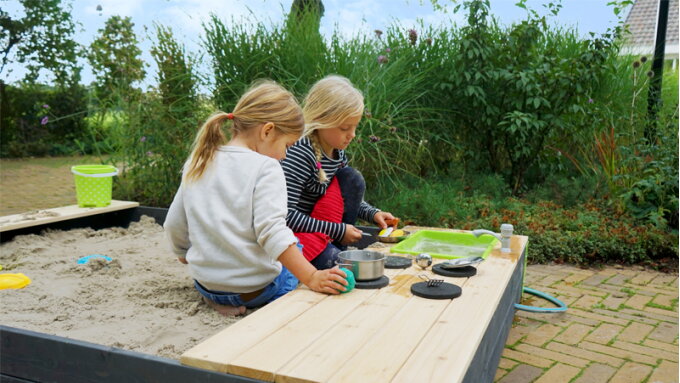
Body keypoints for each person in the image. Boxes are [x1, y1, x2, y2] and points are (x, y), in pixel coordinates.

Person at [164, 80, 348, 317]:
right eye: (287, 145)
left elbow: (173, 223)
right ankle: (254, 300)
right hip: (255, 290)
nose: (284, 155)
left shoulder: (198, 161)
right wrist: (312, 276)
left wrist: (181, 252)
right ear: (267, 131)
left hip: (207, 285)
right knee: (296, 249)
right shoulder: (266, 167)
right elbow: (272, 232)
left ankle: (219, 302)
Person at [281, 75, 396, 270]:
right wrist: (338, 230)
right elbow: (285, 216)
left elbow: (345, 198)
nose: (352, 135)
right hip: (297, 239)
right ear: (321, 120)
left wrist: (373, 214)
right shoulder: (300, 152)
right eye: (344, 128)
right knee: (348, 267)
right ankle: (330, 252)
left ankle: (336, 248)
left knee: (351, 178)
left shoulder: (337, 152)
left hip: (325, 230)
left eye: (355, 127)